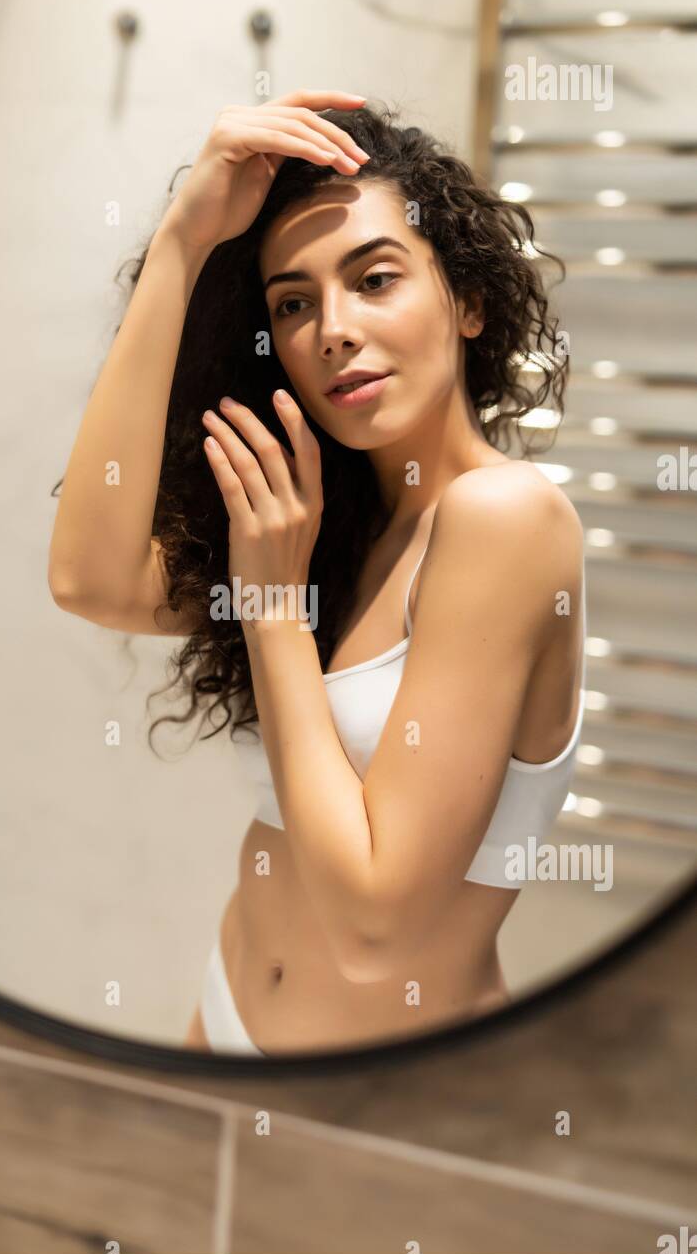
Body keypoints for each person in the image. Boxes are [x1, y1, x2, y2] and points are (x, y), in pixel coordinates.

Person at [48, 88, 585, 1058]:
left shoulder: (505, 519)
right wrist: (182, 240)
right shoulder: (331, 526)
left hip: (380, 1105)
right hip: (222, 1019)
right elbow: (89, 576)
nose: (330, 328)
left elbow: (375, 927)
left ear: (465, 300)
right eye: (293, 303)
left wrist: (268, 605)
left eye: (373, 279)